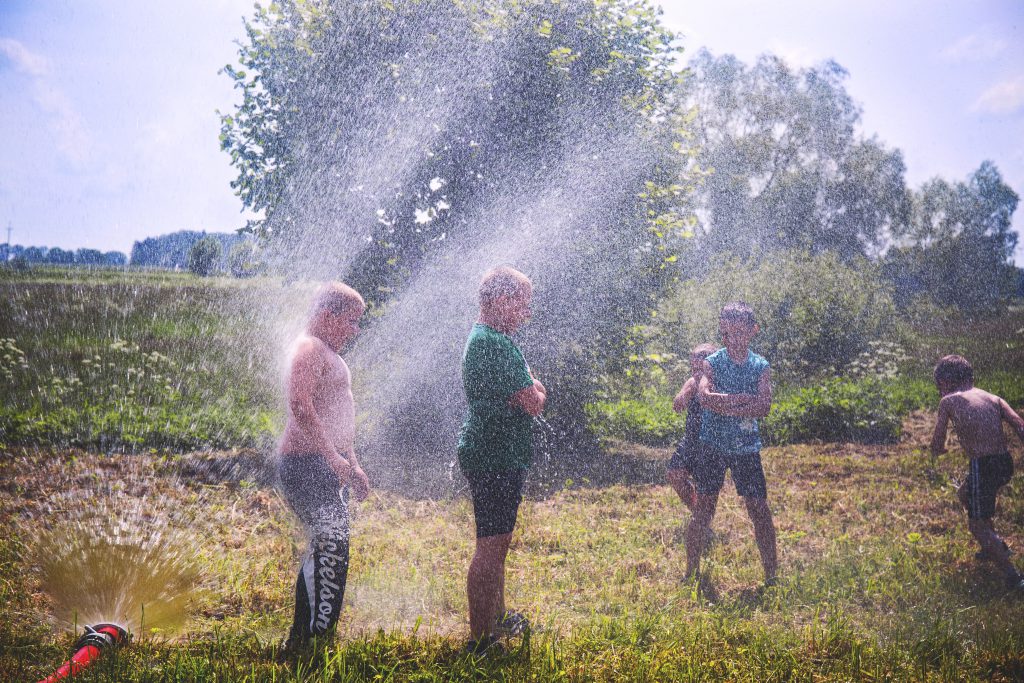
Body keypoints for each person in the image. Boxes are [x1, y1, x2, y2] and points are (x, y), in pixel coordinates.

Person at [277, 282, 371, 654]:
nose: (355, 330)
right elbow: (300, 405)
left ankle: (308, 640)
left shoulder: (331, 354)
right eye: (351, 321)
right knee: (330, 542)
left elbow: (339, 417)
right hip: (305, 464)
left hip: (324, 463)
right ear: (327, 315)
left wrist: (354, 463)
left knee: (330, 544)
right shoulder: (309, 348)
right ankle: (308, 642)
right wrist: (332, 456)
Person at [457, 266, 547, 655]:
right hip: (493, 456)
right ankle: (480, 641)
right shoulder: (492, 342)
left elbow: (527, 391)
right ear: (501, 299)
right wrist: (531, 391)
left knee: (499, 542)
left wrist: (528, 389)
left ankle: (499, 616)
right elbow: (533, 400)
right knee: (490, 546)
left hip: (498, 453)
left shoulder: (495, 339)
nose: (526, 313)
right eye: (522, 304)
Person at [688, 302, 778, 588]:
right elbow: (704, 397)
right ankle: (691, 572)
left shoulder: (760, 366)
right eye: (727, 332)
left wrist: (724, 403)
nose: (733, 338)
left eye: (740, 331)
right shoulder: (711, 362)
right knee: (704, 508)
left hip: (746, 449)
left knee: (759, 510)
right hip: (712, 446)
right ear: (722, 331)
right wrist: (742, 401)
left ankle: (772, 577)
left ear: (753, 331)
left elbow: (763, 406)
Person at [930, 354, 1024, 590]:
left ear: (945, 381)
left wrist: (937, 449)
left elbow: (939, 436)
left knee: (975, 525)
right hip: (1003, 463)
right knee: (965, 494)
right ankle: (993, 545)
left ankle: (1013, 576)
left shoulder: (949, 401)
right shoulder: (992, 397)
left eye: (938, 385)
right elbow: (1018, 423)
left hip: (983, 465)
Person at [667, 343, 718, 511]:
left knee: (706, 488)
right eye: (693, 368)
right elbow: (677, 406)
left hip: (712, 445)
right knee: (675, 474)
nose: (696, 373)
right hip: (691, 440)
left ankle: (702, 520)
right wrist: (685, 394)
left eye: (700, 369)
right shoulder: (691, 382)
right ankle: (696, 510)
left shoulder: (719, 383)